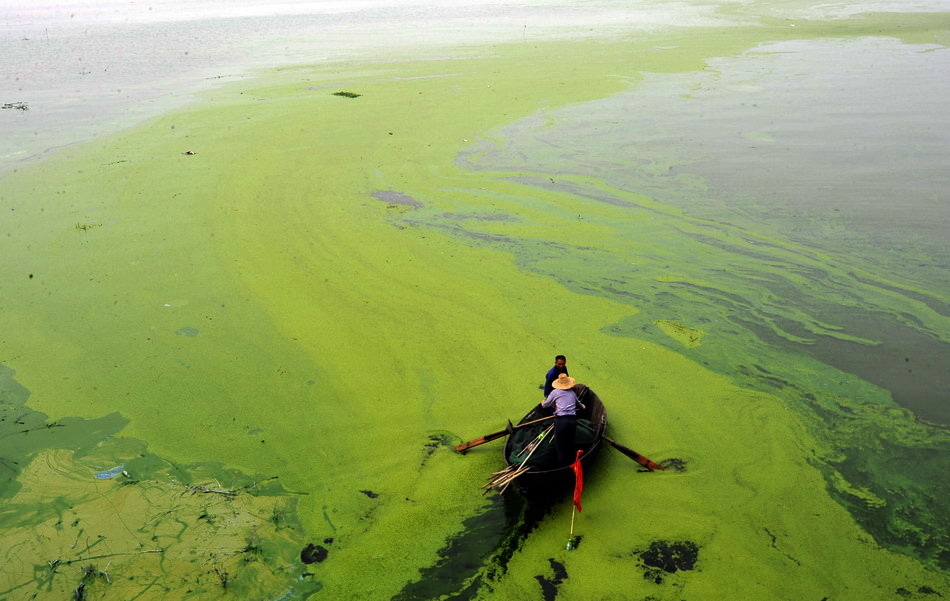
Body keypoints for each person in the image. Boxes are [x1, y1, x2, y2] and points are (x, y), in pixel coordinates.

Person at [541, 373, 585, 466]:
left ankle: (562, 467)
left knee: (560, 447)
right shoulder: (572, 393)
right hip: (572, 421)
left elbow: (545, 405)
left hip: (561, 421)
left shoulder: (555, 392)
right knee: (570, 444)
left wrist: (542, 402)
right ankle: (573, 464)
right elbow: (579, 405)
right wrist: (583, 406)